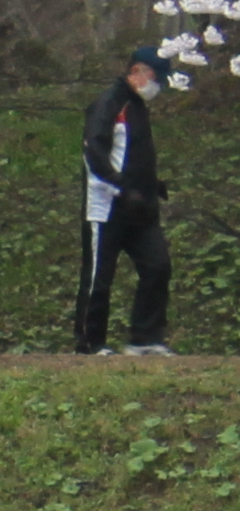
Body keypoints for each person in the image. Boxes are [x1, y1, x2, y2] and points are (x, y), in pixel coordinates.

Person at [79, 42, 177, 356]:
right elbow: (95, 151)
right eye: (155, 78)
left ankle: (145, 337)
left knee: (158, 266)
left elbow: (132, 153)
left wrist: (151, 184)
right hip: (108, 205)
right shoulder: (109, 102)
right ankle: (90, 342)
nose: (157, 86)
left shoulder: (137, 106)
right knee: (99, 276)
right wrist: (121, 186)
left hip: (142, 205)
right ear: (136, 72)